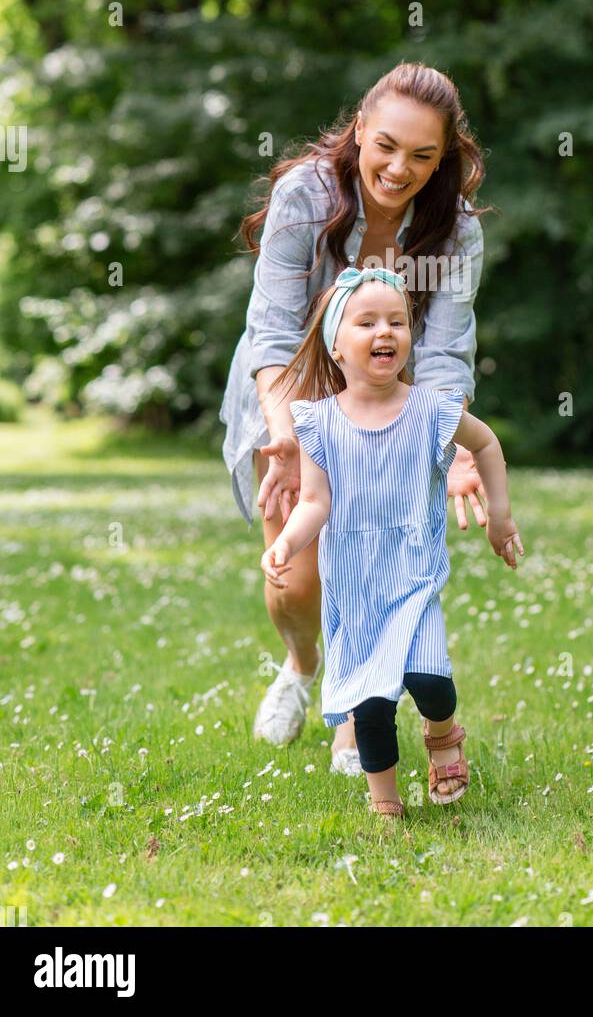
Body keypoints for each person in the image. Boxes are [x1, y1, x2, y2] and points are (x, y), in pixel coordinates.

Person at [218, 63, 491, 774]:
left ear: (444, 158)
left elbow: (444, 355)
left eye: (424, 156)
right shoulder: (307, 196)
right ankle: (301, 665)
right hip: (290, 389)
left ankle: (351, 722)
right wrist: (283, 430)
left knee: (368, 564)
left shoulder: (453, 232)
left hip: (386, 401)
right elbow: (274, 331)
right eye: (388, 147)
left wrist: (457, 448)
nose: (401, 169)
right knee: (297, 582)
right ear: (360, 131)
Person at [259, 265, 523, 820]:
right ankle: (386, 806)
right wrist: (285, 543)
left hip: (412, 577)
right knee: (371, 706)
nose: (386, 332)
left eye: (398, 322)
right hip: (354, 589)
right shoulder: (318, 423)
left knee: (430, 681)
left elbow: (489, 445)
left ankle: (444, 732)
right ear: (336, 344)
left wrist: (499, 519)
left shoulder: (432, 410)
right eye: (368, 322)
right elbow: (314, 503)